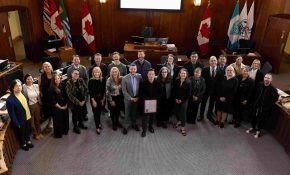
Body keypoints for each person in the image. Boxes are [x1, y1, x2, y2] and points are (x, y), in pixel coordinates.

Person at [246, 74, 278, 138]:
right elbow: (255, 94)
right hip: (256, 105)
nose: (266, 79)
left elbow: (274, 100)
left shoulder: (273, 90)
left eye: (268, 78)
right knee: (253, 117)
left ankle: (258, 131)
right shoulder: (259, 84)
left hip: (264, 108)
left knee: (261, 120)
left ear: (271, 80)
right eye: (265, 77)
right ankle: (253, 127)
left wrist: (268, 107)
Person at [6, 79, 34, 151]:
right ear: (12, 88)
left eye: (20, 86)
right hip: (20, 119)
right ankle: (23, 144)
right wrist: (16, 123)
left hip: (27, 116)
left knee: (27, 130)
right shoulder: (10, 100)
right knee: (21, 132)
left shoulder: (22, 93)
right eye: (16, 86)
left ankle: (28, 141)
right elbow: (12, 114)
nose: (19, 87)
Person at [198, 56, 222, 124]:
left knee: (211, 104)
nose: (213, 62)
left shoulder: (220, 70)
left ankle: (209, 114)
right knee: (203, 103)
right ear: (209, 62)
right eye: (211, 60)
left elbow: (220, 82)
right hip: (206, 90)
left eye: (214, 60)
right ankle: (201, 115)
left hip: (215, 91)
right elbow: (202, 80)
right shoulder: (205, 69)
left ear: (217, 61)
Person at [121, 63, 142, 135]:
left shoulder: (139, 76)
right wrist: (131, 98)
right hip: (128, 99)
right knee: (127, 113)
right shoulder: (124, 78)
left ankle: (134, 124)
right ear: (129, 69)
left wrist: (138, 97)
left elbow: (141, 88)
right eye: (131, 69)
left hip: (137, 98)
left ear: (136, 69)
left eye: (134, 69)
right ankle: (126, 126)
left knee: (134, 113)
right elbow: (124, 91)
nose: (133, 70)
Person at [66, 68, 88, 134]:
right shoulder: (69, 82)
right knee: (75, 115)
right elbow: (69, 95)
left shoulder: (80, 80)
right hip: (74, 102)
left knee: (81, 113)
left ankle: (80, 123)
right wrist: (78, 102)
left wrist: (84, 100)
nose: (77, 75)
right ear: (71, 74)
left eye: (78, 74)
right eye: (75, 73)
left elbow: (86, 90)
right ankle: (75, 127)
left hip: (82, 100)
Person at [140, 68, 161, 137]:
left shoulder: (158, 83)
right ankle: (144, 130)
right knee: (145, 118)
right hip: (146, 103)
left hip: (154, 103)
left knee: (152, 116)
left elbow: (160, 94)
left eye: (152, 74)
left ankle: (150, 127)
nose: (151, 75)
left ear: (154, 75)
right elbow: (141, 94)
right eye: (150, 74)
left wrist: (154, 100)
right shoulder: (143, 83)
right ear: (147, 75)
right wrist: (148, 100)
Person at [22, 74, 43, 140]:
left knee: (37, 120)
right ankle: (35, 134)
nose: (30, 80)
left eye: (31, 79)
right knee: (32, 122)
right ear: (25, 80)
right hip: (29, 106)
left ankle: (39, 132)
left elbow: (39, 95)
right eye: (28, 79)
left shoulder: (36, 86)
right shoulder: (24, 87)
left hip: (37, 104)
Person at [49, 73, 69, 138]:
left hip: (64, 105)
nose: (57, 80)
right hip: (57, 107)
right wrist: (60, 107)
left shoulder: (63, 85)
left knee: (65, 119)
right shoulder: (51, 88)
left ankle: (65, 130)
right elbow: (53, 100)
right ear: (53, 80)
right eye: (55, 79)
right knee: (58, 121)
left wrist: (66, 105)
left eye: (58, 78)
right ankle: (58, 133)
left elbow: (66, 95)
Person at [173, 68, 190, 136]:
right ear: (179, 74)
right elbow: (174, 90)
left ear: (186, 75)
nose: (183, 74)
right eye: (182, 73)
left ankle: (183, 127)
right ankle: (179, 121)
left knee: (183, 113)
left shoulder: (188, 82)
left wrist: (181, 100)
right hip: (176, 99)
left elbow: (188, 94)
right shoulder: (176, 80)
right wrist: (176, 98)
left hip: (184, 100)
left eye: (184, 73)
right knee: (177, 111)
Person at [88, 67, 106, 135]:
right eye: (95, 72)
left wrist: (103, 99)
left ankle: (98, 123)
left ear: (100, 72)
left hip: (101, 98)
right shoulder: (91, 81)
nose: (97, 73)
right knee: (96, 113)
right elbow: (90, 92)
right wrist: (93, 101)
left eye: (98, 72)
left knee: (99, 112)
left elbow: (104, 90)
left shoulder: (103, 79)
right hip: (94, 99)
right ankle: (97, 127)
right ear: (93, 73)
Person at [38, 62, 53, 129]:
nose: (47, 68)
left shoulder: (55, 74)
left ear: (51, 67)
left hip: (53, 96)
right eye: (45, 67)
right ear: (43, 68)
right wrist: (40, 95)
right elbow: (39, 87)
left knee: (54, 109)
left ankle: (53, 121)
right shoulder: (41, 76)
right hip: (45, 97)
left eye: (48, 66)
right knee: (48, 110)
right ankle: (50, 121)